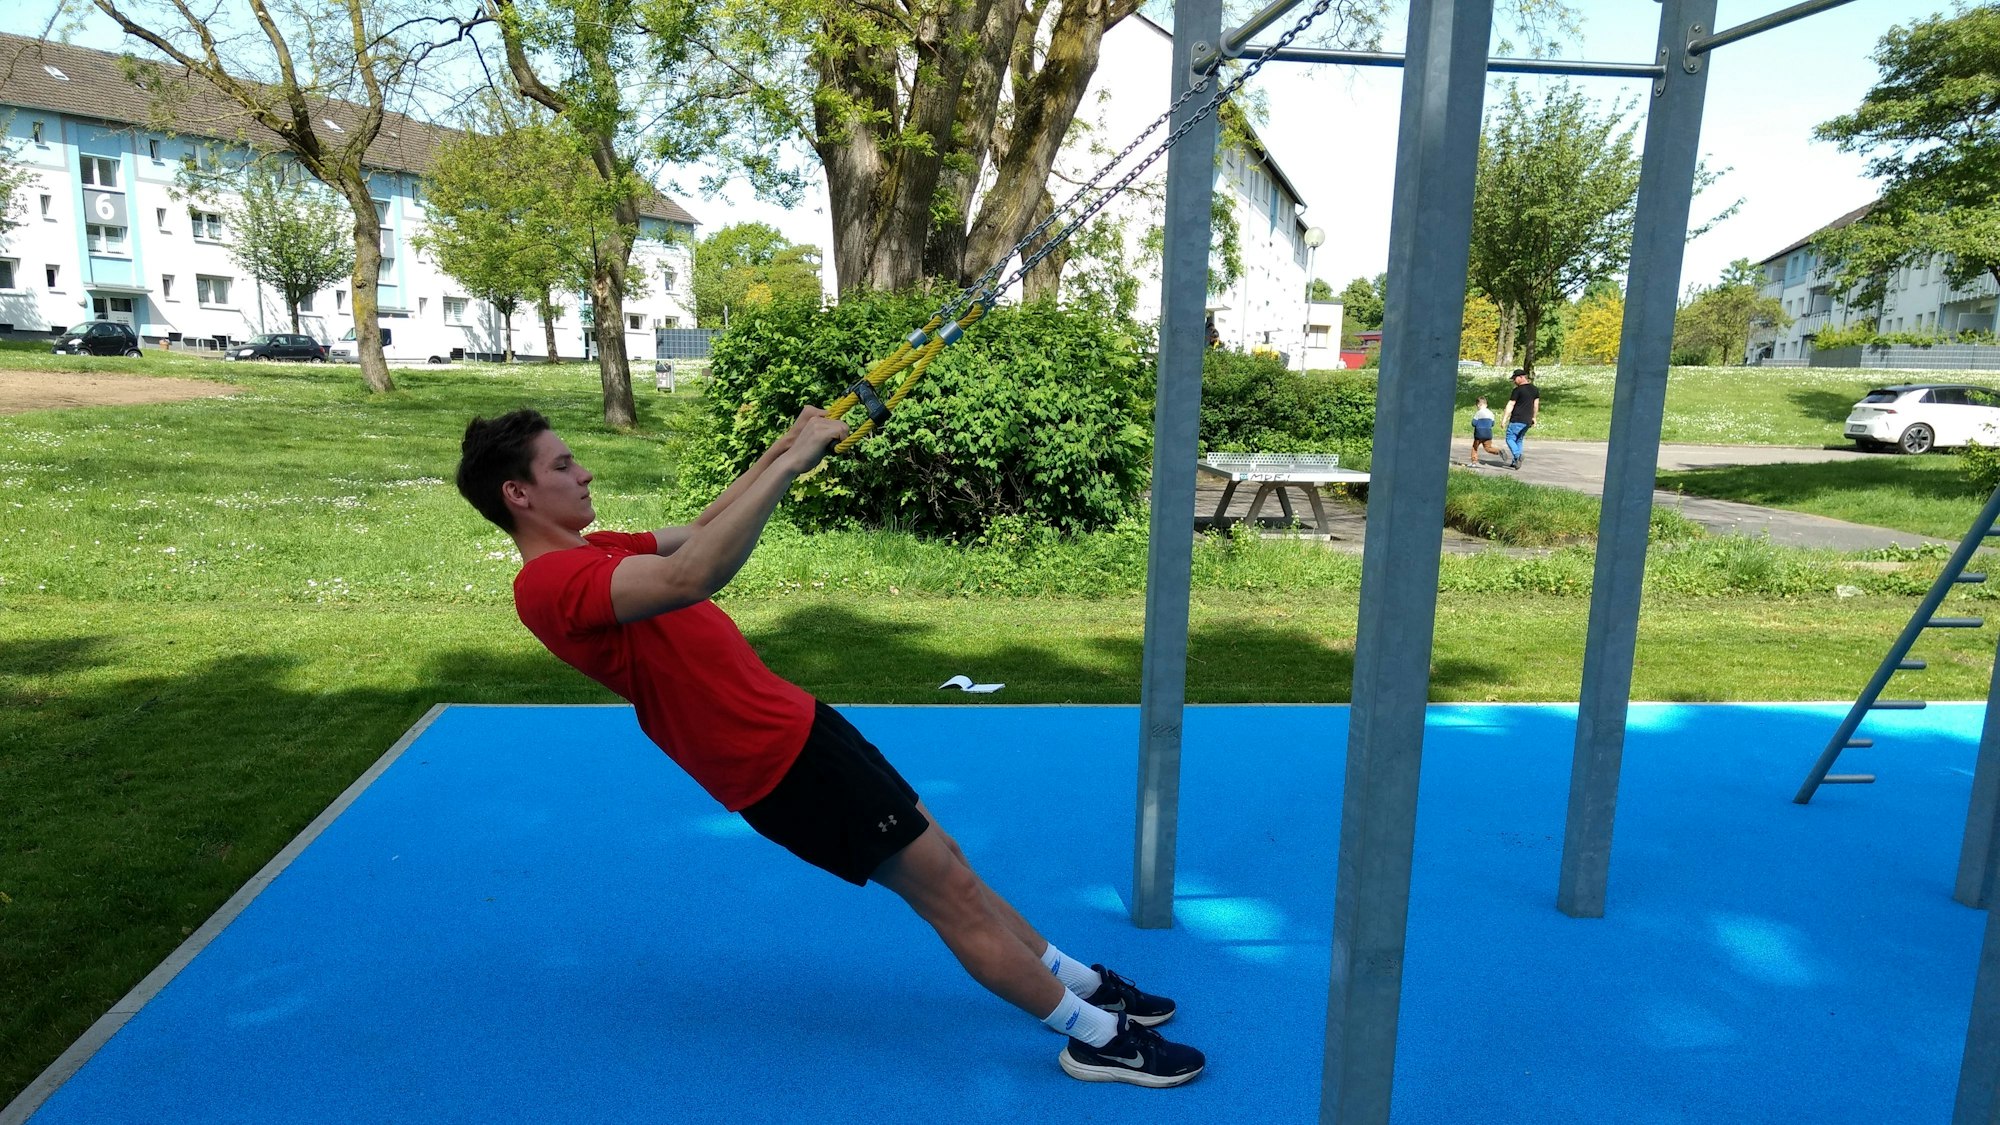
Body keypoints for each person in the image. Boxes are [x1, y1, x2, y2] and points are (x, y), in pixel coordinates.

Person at [454, 406, 1205, 1088]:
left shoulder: (593, 549)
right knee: (950, 896)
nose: (583, 472)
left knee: (951, 863)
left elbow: (702, 526)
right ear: (516, 495)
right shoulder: (550, 585)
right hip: (776, 765)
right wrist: (788, 463)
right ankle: (1096, 1037)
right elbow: (696, 571)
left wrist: (787, 444)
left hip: (800, 727)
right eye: (561, 465)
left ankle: (1077, 980)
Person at [1500, 367, 1539, 469]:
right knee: (1519, 440)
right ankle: (1515, 462)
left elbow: (1511, 404)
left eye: (1515, 378)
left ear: (1521, 377)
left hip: (1517, 419)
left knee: (1510, 438)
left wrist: (1504, 418)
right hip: (1527, 420)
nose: (1513, 381)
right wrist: (1534, 417)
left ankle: (1518, 455)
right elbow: (1536, 405)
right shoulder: (1535, 389)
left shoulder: (1517, 390)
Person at [1466, 395, 1507, 466]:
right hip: (1488, 434)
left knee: (1475, 448)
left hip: (1479, 434)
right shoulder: (1491, 413)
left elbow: (1473, 423)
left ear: (1479, 405)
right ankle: (1499, 451)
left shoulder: (1478, 413)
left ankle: (1474, 463)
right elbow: (1492, 424)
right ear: (1486, 404)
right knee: (1488, 448)